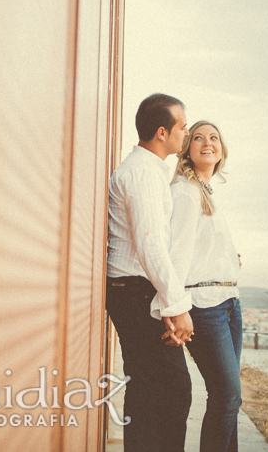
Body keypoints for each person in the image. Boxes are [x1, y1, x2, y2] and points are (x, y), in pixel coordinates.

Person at [106, 93, 194, 452]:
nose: (185, 135)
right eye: (183, 128)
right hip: (135, 292)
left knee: (148, 392)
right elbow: (150, 246)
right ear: (162, 132)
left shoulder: (148, 171)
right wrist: (177, 306)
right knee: (173, 393)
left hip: (137, 291)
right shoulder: (142, 173)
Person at [168, 121, 242, 452]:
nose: (207, 142)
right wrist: (176, 308)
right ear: (187, 149)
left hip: (228, 300)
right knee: (227, 396)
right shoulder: (185, 191)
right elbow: (176, 255)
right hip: (204, 305)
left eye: (214, 137)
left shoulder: (208, 189)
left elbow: (201, 247)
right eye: (197, 137)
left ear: (222, 150)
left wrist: (226, 258)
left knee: (230, 399)